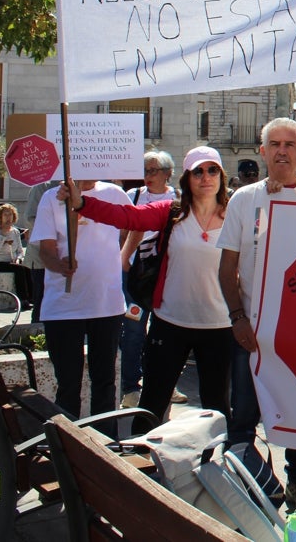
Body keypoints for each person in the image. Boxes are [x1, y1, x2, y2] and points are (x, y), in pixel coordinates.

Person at [63, 146, 232, 432]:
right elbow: (127, 217)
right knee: (153, 401)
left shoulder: (236, 214)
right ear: (187, 178)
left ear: (221, 176)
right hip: (170, 323)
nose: (206, 177)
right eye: (198, 171)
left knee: (216, 405)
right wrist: (82, 204)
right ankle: (141, 463)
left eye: (212, 170)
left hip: (219, 327)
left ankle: (216, 466)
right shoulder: (172, 212)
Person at [218, 118, 296, 514]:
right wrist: (237, 318)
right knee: (243, 419)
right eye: (274, 144)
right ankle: (250, 490)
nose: (282, 150)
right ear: (262, 151)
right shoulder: (243, 199)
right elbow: (226, 268)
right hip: (252, 331)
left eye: (290, 144)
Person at [30, 177, 131, 423]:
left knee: (105, 382)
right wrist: (59, 265)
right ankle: (68, 448)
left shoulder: (115, 194)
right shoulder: (51, 197)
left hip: (106, 304)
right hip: (64, 307)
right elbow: (45, 250)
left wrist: (121, 255)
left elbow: (131, 225)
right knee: (68, 383)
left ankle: (104, 445)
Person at [119, 150, 180, 409]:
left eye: (153, 170)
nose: (147, 176)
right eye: (144, 171)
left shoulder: (179, 199)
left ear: (168, 173)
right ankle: (131, 387)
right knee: (133, 330)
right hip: (136, 276)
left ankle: (164, 383)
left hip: (167, 276)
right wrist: (124, 260)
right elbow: (124, 231)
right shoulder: (133, 196)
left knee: (163, 333)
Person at [23, 179, 60, 322]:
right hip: (41, 258)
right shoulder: (41, 187)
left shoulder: (76, 185)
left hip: (65, 256)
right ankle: (37, 337)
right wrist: (56, 232)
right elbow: (30, 218)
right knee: (42, 298)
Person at [0, 202, 33, 307]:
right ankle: (23, 299)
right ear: (0, 216)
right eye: (5, 215)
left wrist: (18, 258)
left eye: (10, 215)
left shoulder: (15, 231)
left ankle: (32, 297)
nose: (8, 218)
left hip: (11, 261)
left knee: (27, 267)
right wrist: (3, 234)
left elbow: (20, 250)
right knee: (19, 270)